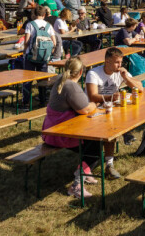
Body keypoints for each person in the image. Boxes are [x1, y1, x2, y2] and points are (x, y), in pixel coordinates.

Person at [40, 57, 102, 197]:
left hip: (52, 131)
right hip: (61, 134)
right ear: (80, 72)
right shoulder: (71, 86)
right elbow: (85, 109)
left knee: (92, 144)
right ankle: (76, 185)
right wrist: (95, 104)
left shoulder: (61, 80)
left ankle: (85, 172)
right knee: (95, 147)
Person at [84, 47, 144, 179]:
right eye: (117, 62)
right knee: (111, 126)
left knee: (124, 115)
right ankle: (125, 135)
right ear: (107, 61)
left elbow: (140, 88)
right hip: (92, 111)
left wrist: (126, 78)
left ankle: (109, 164)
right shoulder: (93, 73)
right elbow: (92, 96)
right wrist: (111, 97)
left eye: (121, 62)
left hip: (109, 110)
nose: (119, 65)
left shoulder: (120, 72)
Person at [22, 6, 57, 107]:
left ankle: (26, 102)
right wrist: (49, 53)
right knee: (42, 79)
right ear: (44, 14)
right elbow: (54, 43)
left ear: (34, 14)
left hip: (31, 55)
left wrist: (24, 51)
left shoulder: (30, 24)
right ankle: (42, 100)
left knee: (27, 79)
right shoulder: (49, 26)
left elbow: (26, 41)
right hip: (43, 56)